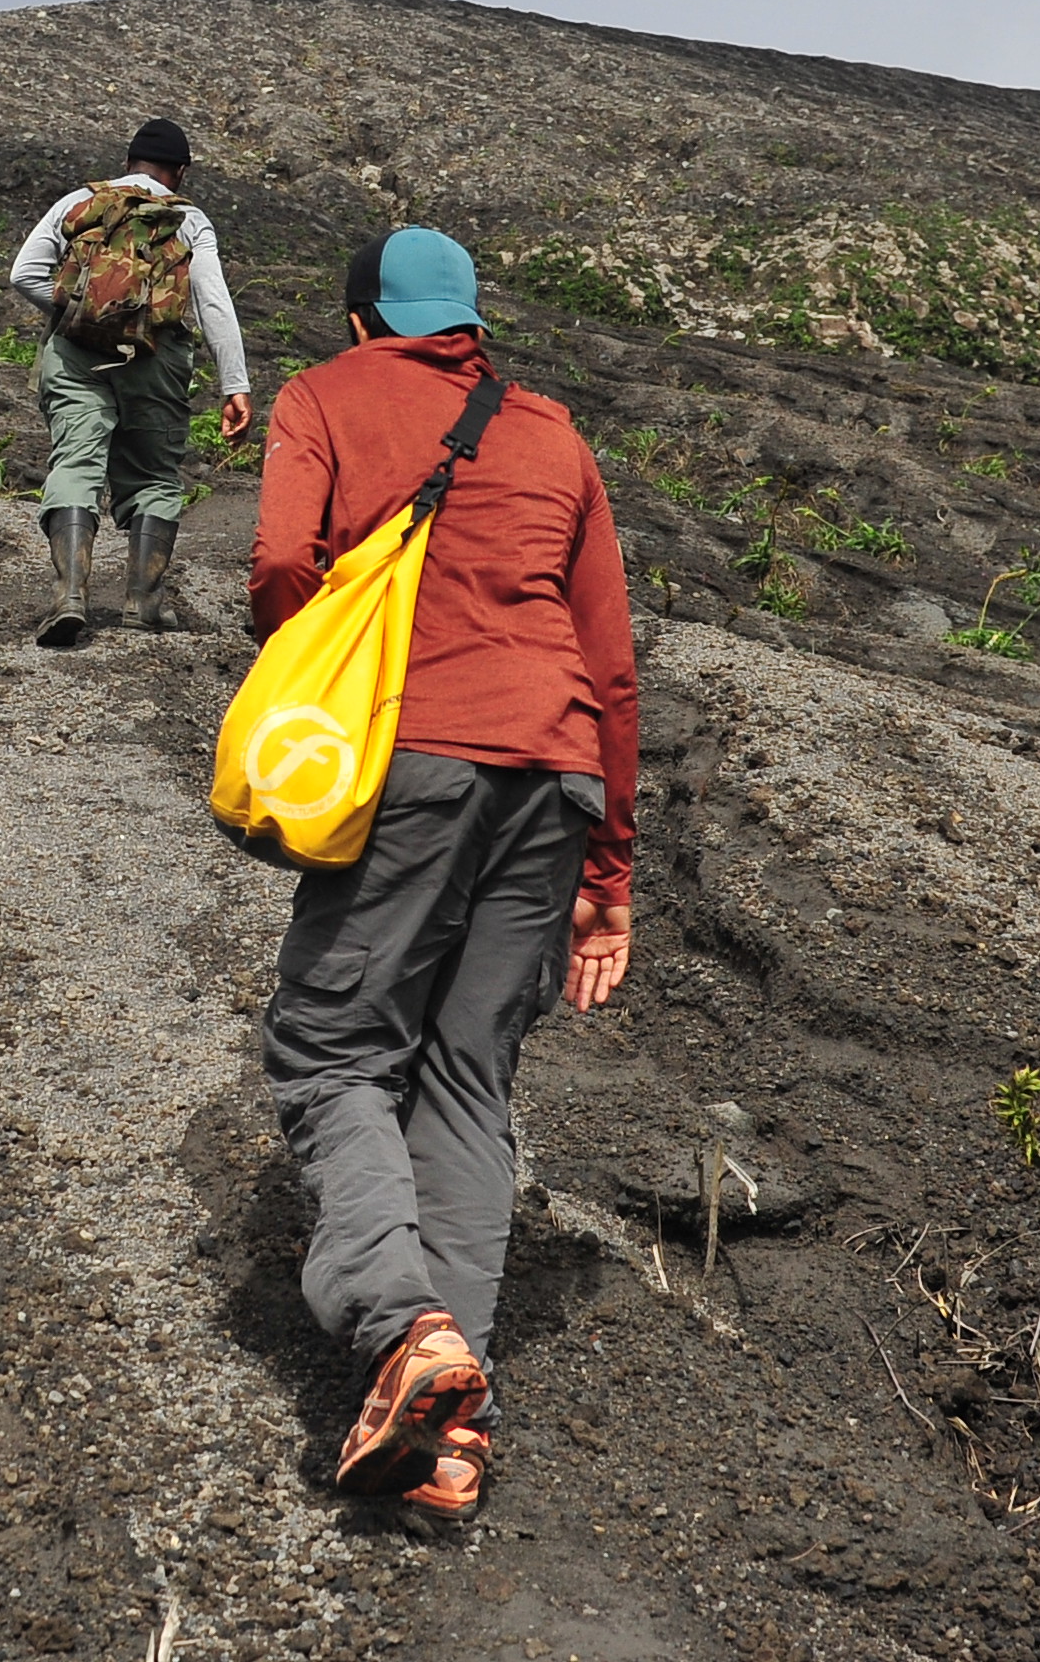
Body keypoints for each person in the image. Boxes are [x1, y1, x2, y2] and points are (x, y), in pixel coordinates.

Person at [248, 225, 638, 1525]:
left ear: (365, 321)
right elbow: (613, 666)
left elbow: (279, 568)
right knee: (468, 1080)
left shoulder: (322, 397)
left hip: (418, 751)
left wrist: (317, 663)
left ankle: (398, 1321)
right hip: (558, 776)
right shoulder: (550, 435)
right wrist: (610, 873)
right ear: (470, 321)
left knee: (331, 1047)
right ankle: (449, 1432)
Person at [5, 119, 252, 645]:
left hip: (76, 355)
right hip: (155, 357)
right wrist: (236, 385)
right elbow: (213, 305)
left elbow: (23, 273)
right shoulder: (187, 218)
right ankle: (143, 603)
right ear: (180, 172)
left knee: (75, 462)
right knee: (156, 476)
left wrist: (82, 312)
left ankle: (70, 595)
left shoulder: (78, 203)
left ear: (128, 164)